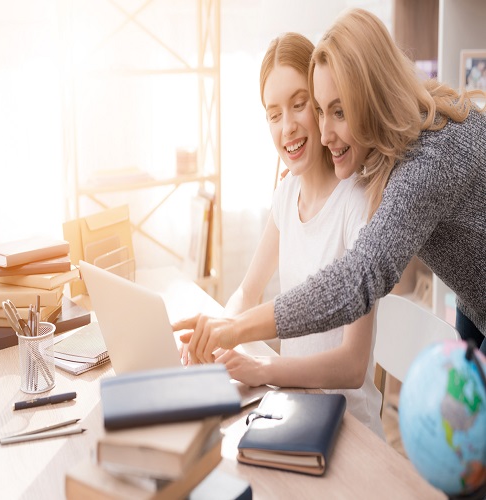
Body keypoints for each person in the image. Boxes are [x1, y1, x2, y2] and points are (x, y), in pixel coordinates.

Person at [173, 8, 486, 365]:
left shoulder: (427, 161)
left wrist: (236, 329)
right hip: (475, 298)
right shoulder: (400, 129)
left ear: (373, 97)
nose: (323, 133)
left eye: (339, 111)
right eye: (321, 110)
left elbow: (357, 280)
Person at [198, 32, 383, 438]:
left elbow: (352, 366)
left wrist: (264, 367)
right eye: (273, 114)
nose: (287, 127)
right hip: (295, 412)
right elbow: (247, 293)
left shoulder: (358, 206)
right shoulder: (286, 195)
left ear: (320, 105)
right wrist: (213, 337)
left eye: (299, 105)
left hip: (350, 431)